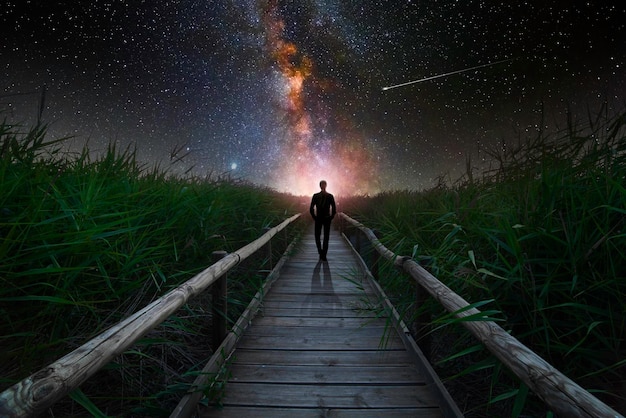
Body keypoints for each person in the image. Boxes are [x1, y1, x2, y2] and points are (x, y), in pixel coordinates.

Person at [309, 180, 337, 261]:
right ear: (326, 186)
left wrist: (315, 217)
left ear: (320, 186)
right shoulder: (330, 196)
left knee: (317, 236)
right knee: (326, 237)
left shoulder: (316, 196)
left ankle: (321, 253)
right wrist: (331, 217)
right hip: (326, 218)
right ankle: (323, 254)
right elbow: (334, 209)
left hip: (319, 218)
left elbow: (311, 209)